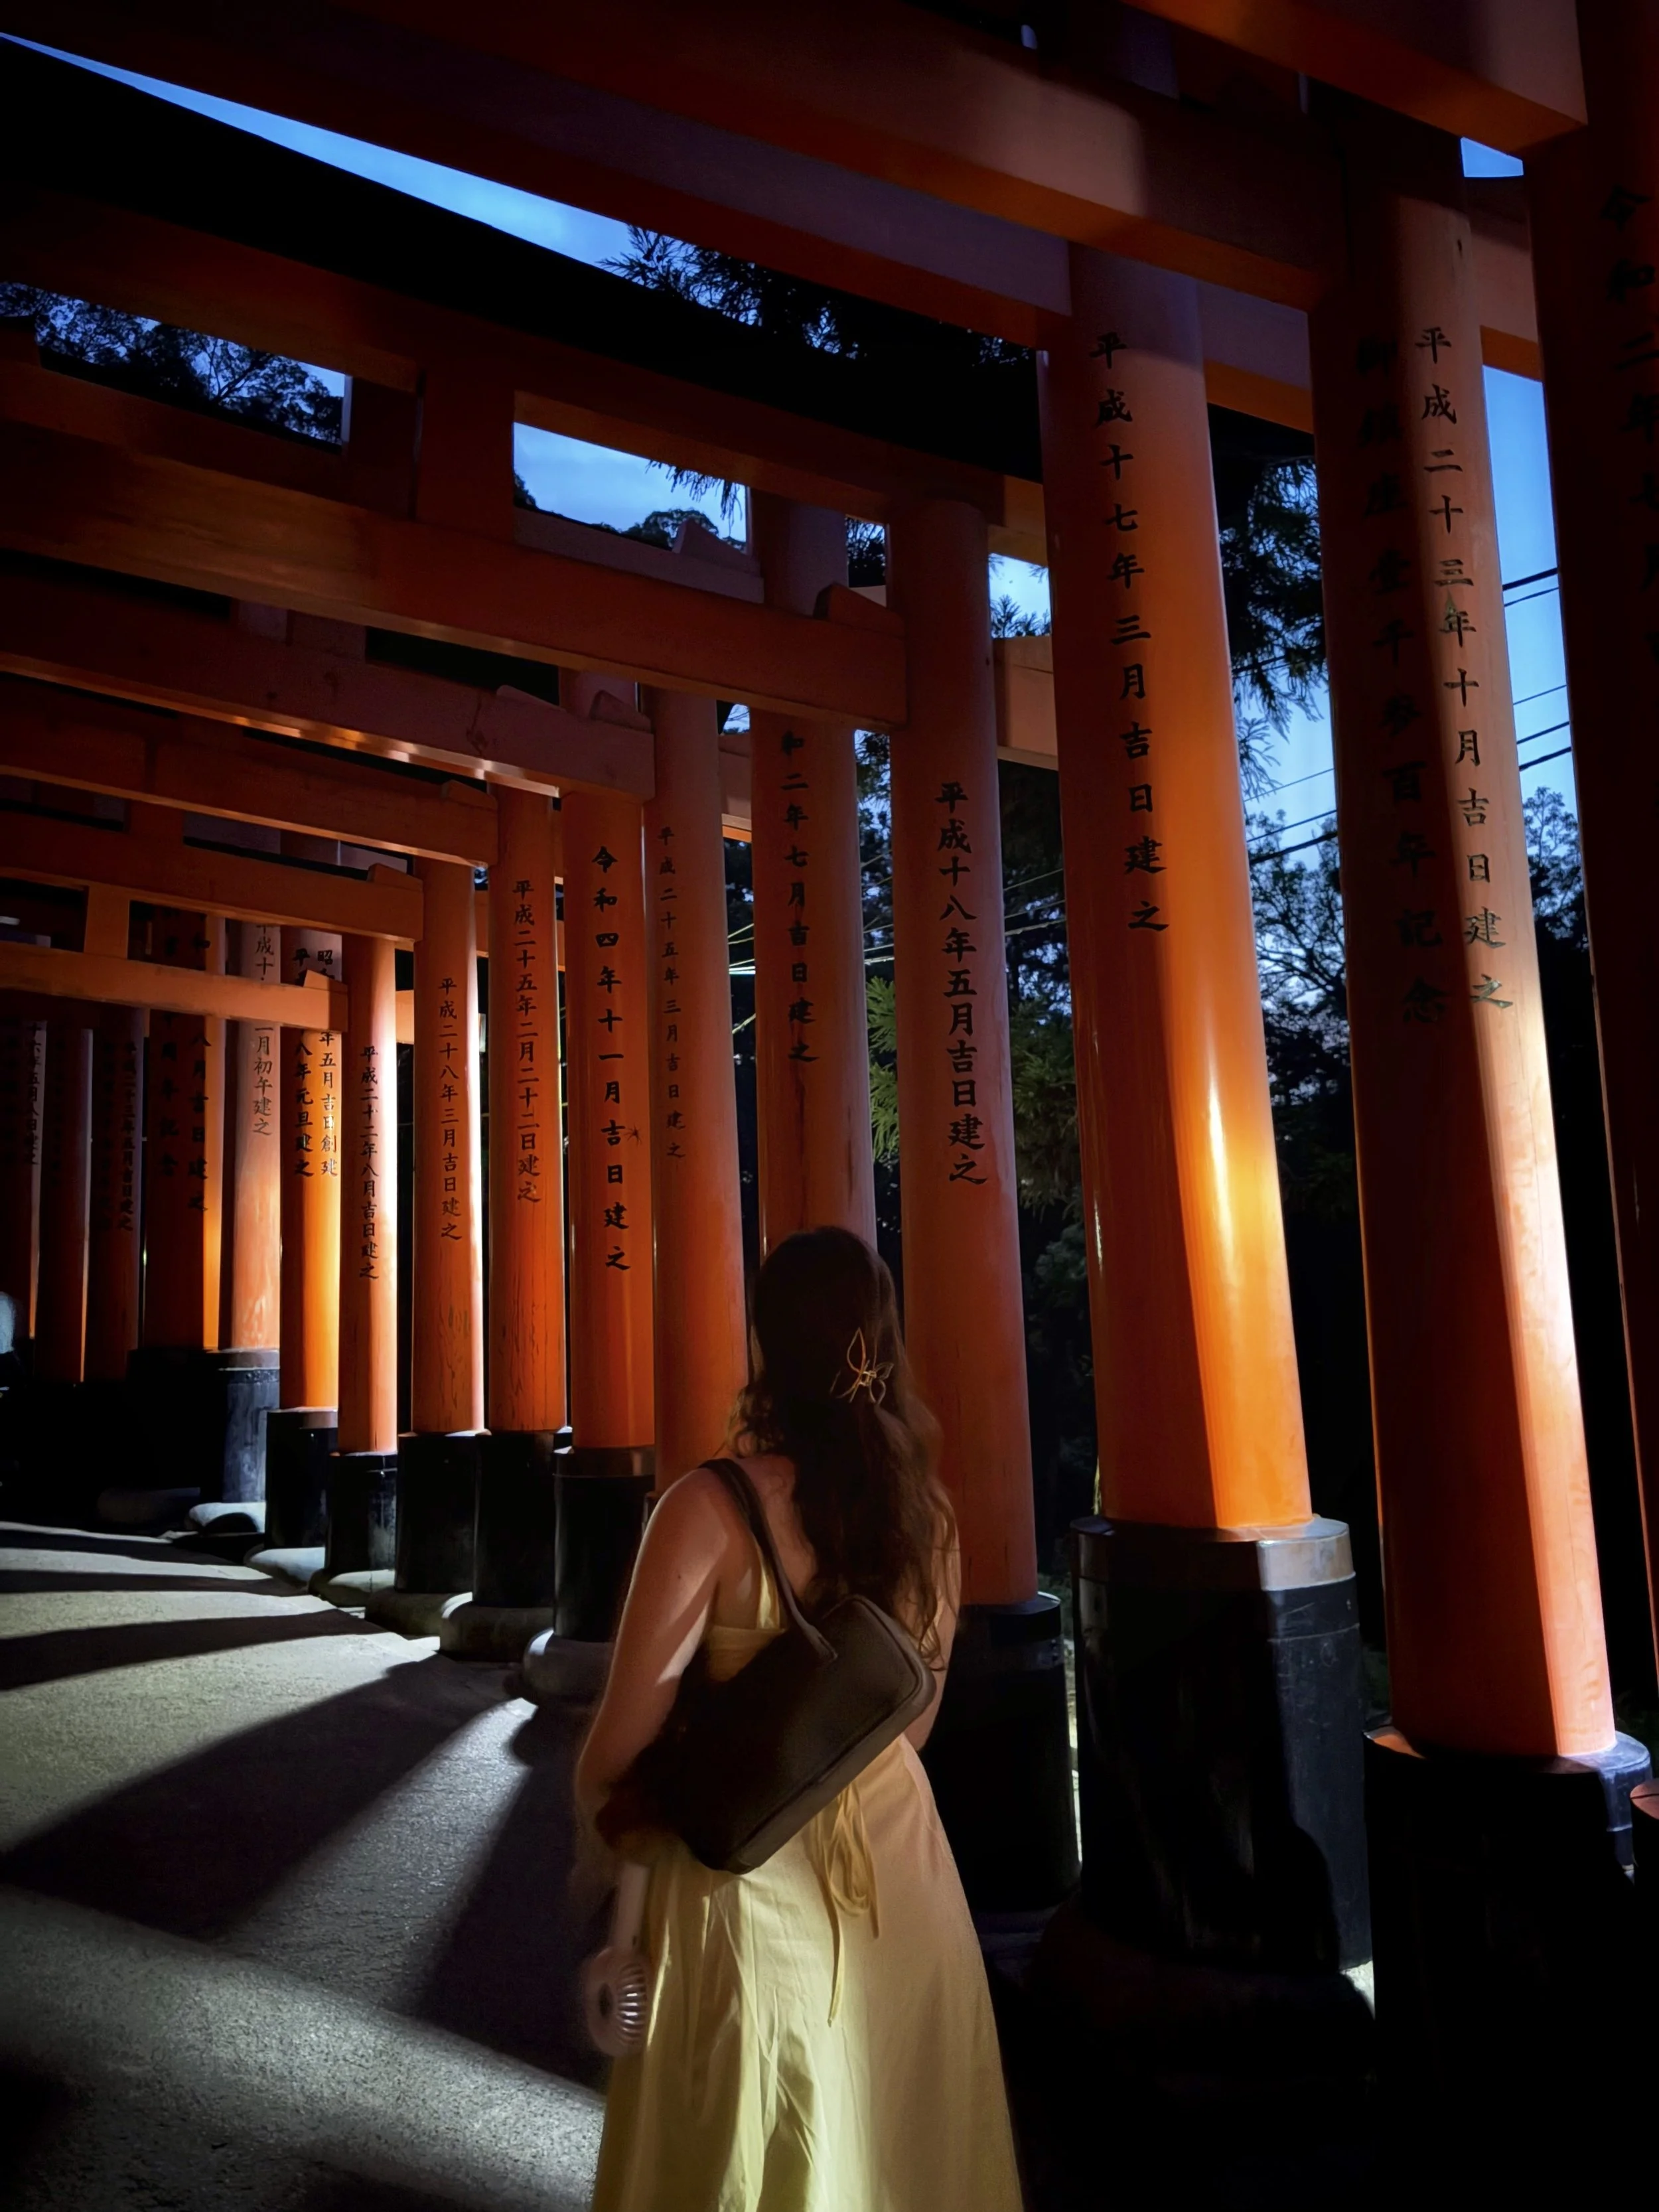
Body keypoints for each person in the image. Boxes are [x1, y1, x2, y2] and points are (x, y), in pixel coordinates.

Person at [577, 1226, 1024, 2212]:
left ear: (766, 1348)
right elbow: (911, 1729)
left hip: (743, 1889)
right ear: (885, 1339)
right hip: (905, 1886)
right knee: (903, 2156)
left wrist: (622, 1925)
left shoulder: (708, 1508)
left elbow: (621, 1753)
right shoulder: (930, 1518)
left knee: (756, 2157)